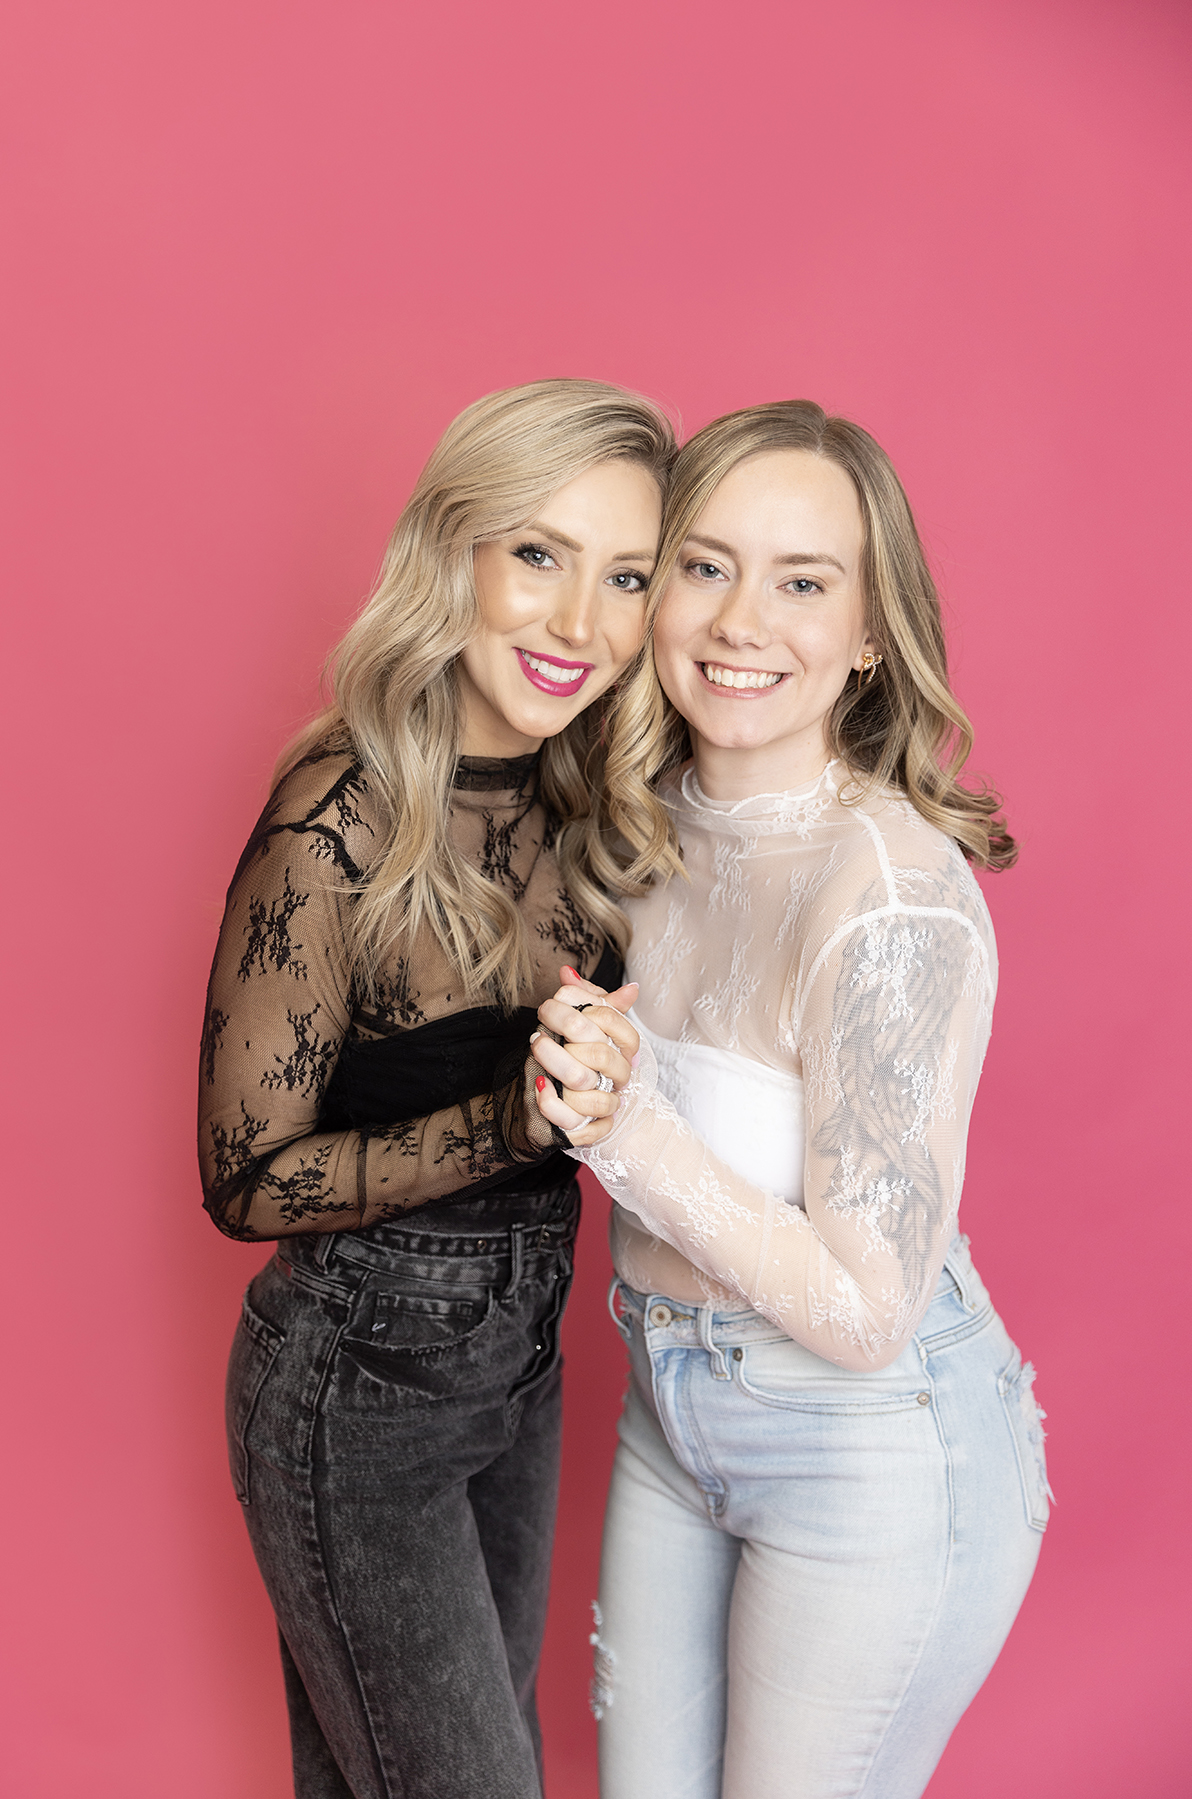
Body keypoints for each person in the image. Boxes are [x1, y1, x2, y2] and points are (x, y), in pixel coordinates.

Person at [532, 400, 1051, 1799]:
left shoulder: (889, 895)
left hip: (867, 1448)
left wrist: (628, 1131)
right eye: (705, 567)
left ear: (872, 631)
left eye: (804, 583)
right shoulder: (638, 823)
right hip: (669, 1406)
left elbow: (870, 1312)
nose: (741, 622)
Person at [198, 378, 682, 1799]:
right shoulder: (335, 822)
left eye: (627, 577)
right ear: (453, 551)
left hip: (520, 1368)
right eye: (538, 554)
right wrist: (512, 1118)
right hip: (356, 1385)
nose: (580, 622)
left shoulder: (591, 803)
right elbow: (244, 1176)